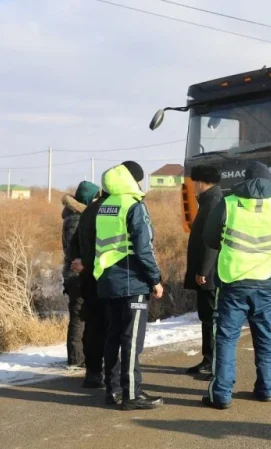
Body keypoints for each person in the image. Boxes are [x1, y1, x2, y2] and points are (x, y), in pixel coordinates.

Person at [202, 161, 271, 409]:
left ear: (245, 179)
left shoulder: (229, 203)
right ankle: (266, 389)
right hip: (266, 283)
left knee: (225, 338)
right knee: (266, 335)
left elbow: (210, 238)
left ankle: (221, 395)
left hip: (233, 284)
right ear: (268, 181)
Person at [93, 161, 165, 411]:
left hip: (108, 281)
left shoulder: (105, 206)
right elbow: (143, 249)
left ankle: (112, 391)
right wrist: (155, 279)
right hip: (132, 282)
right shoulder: (134, 206)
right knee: (132, 339)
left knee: (112, 336)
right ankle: (132, 394)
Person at [68, 189, 112, 391]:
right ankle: (114, 376)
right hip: (108, 278)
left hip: (87, 279)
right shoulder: (114, 210)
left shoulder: (88, 211)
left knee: (92, 326)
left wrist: (80, 261)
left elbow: (74, 244)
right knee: (112, 327)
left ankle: (93, 373)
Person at [183, 165, 223, 377]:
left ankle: (214, 362)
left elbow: (211, 242)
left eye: (193, 183)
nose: (193, 187)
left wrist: (204, 270)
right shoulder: (209, 201)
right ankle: (209, 359)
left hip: (210, 274)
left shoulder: (214, 203)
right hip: (207, 272)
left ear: (200, 182)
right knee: (207, 317)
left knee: (212, 319)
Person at [61, 181, 100, 369]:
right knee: (78, 315)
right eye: (94, 197)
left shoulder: (75, 216)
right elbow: (73, 249)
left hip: (78, 272)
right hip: (76, 274)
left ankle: (80, 356)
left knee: (82, 314)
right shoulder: (76, 219)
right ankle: (76, 359)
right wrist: (83, 262)